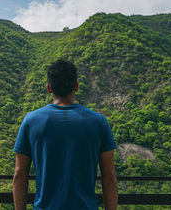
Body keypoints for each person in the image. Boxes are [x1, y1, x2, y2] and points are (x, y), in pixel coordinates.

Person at [13, 59, 118, 210]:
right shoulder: (99, 122)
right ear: (76, 86)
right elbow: (109, 177)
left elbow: (19, 174)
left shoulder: (31, 121)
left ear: (49, 88)